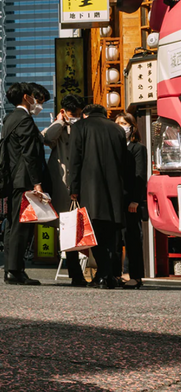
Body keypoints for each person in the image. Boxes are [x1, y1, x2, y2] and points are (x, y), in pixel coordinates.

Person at [69, 103, 127, 289]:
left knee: (93, 233)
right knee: (110, 234)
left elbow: (75, 160)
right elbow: (123, 161)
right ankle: (107, 275)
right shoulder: (117, 129)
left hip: (89, 189)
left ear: (85, 114)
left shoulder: (79, 127)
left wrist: (74, 189)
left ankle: (102, 275)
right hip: (114, 190)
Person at [1, 82, 49, 285]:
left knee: (13, 225)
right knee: (22, 226)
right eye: (35, 99)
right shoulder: (25, 121)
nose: (37, 103)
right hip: (24, 180)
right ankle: (15, 271)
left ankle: (11, 269)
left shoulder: (10, 119)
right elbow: (30, 154)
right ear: (26, 97)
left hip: (13, 178)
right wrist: (37, 184)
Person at [42, 94, 88, 287]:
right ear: (64, 112)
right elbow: (45, 138)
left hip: (83, 183)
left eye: (77, 113)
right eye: (71, 114)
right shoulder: (60, 128)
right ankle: (76, 273)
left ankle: (91, 268)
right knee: (68, 228)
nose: (74, 117)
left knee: (86, 225)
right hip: (62, 184)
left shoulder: (85, 127)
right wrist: (60, 122)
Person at [115, 112, 147, 289]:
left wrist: (136, 200)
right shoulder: (114, 147)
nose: (121, 126)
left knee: (133, 238)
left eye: (124, 123)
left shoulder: (137, 148)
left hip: (131, 201)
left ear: (132, 127)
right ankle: (116, 274)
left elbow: (140, 175)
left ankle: (136, 276)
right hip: (116, 199)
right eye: (118, 123)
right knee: (117, 239)